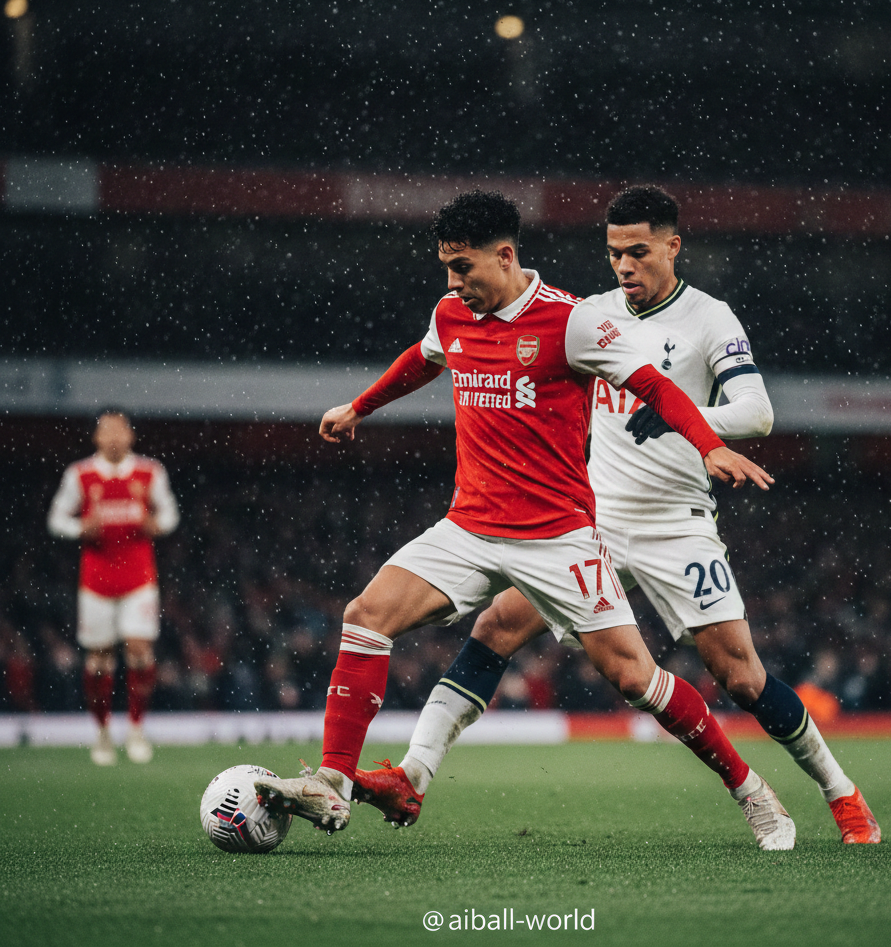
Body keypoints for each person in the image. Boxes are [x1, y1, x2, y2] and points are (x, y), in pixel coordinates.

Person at [256, 189, 796, 850]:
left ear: (505, 256)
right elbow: (422, 359)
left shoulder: (569, 322)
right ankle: (332, 785)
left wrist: (710, 444)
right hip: (469, 526)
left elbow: (655, 388)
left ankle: (751, 789)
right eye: (447, 268)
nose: (454, 284)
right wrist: (359, 407)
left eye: (464, 267)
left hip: (557, 537)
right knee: (365, 617)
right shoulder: (452, 313)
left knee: (634, 677)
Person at [48, 410, 179, 765]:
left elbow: (170, 514)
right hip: (96, 581)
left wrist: (157, 524)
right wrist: (79, 529)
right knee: (100, 660)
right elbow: (57, 518)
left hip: (139, 578)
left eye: (120, 430)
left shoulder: (150, 472)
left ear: (131, 436)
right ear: (97, 437)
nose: (114, 437)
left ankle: (136, 729)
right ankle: (103, 732)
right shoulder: (80, 474)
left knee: (139, 651)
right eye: (107, 431)